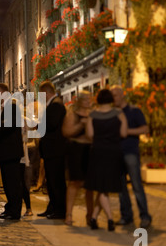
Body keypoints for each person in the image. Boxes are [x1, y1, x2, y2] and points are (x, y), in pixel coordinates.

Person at [84, 89, 128, 231]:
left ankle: (99, 218)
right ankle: (106, 219)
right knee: (105, 188)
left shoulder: (92, 115)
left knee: (102, 188)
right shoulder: (119, 114)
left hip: (98, 152)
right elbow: (124, 133)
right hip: (114, 152)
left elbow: (90, 134)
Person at [111, 85, 152, 229]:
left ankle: (145, 216)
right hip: (117, 153)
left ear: (122, 95)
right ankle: (126, 216)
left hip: (130, 152)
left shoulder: (134, 111)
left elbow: (145, 128)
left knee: (136, 185)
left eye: (115, 95)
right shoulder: (113, 113)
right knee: (121, 188)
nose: (113, 98)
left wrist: (127, 131)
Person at [0, 83, 25, 220]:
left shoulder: (11, 107)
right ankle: (10, 208)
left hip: (11, 152)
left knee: (12, 183)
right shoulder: (5, 107)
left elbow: (9, 125)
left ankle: (14, 211)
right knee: (7, 182)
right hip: (7, 152)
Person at [62, 90, 94, 226]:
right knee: (74, 182)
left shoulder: (93, 114)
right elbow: (67, 132)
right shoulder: (72, 114)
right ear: (79, 100)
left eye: (89, 98)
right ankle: (68, 214)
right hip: (76, 149)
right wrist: (81, 124)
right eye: (85, 98)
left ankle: (91, 215)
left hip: (90, 150)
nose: (88, 100)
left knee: (90, 185)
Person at [37, 80, 67, 219]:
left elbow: (52, 124)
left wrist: (37, 125)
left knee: (56, 182)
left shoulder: (56, 105)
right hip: (52, 150)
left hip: (55, 150)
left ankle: (59, 210)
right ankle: (52, 207)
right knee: (51, 181)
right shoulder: (53, 104)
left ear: (46, 93)